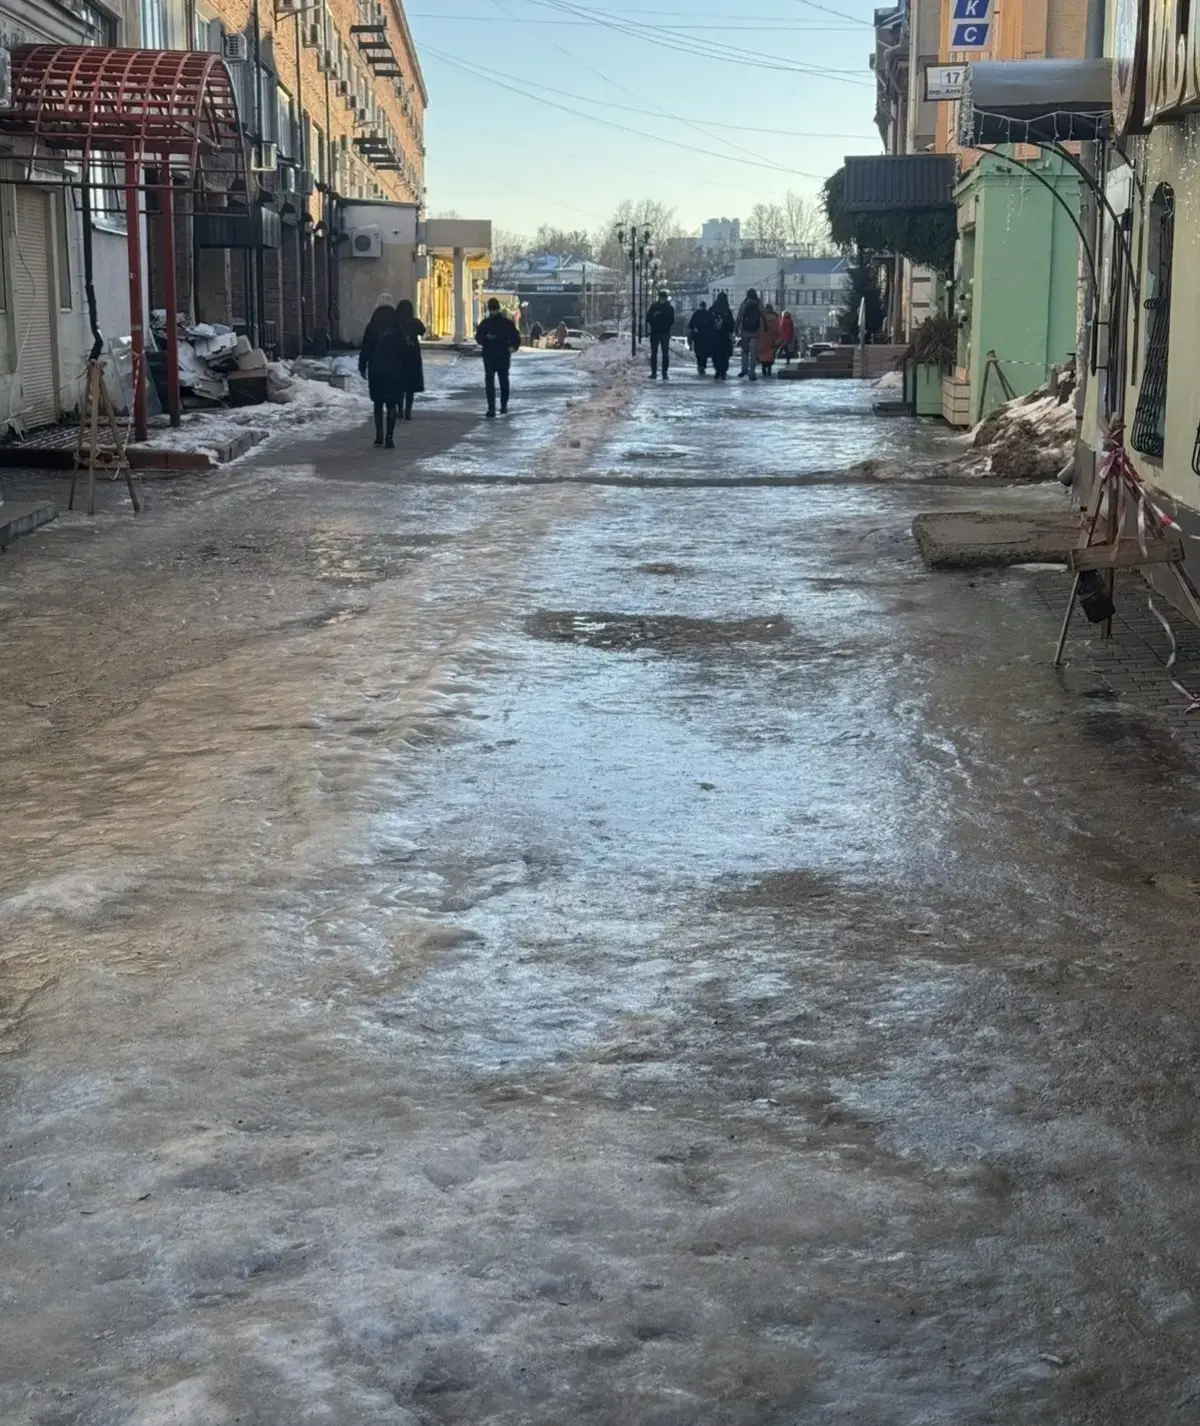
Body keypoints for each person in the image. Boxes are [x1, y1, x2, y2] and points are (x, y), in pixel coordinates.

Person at [359, 294, 405, 447]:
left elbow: (366, 347)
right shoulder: (397, 326)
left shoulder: (372, 325)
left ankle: (379, 435)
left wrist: (362, 366)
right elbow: (403, 349)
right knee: (391, 403)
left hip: (376, 369)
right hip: (394, 369)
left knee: (378, 403)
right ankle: (389, 437)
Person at [475, 296, 521, 416]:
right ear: (499, 308)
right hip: (503, 355)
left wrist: (486, 337)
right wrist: (512, 347)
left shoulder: (485, 323)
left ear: (489, 309)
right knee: (504, 381)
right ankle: (503, 406)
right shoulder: (507, 323)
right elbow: (516, 338)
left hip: (489, 356)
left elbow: (478, 338)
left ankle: (491, 408)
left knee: (490, 382)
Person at [393, 297, 426, 420]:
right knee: (410, 388)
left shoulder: (395, 322)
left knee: (399, 386)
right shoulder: (415, 322)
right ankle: (408, 412)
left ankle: (399, 410)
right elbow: (423, 331)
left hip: (399, 356)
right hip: (413, 357)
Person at [645, 288, 676, 379]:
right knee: (655, 353)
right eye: (661, 298)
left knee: (663, 353)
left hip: (662, 332)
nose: (662, 299)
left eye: (663, 298)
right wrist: (655, 319)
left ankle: (663, 372)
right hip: (658, 332)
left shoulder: (667, 308)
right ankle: (655, 372)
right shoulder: (659, 307)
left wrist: (658, 318)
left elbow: (671, 320)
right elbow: (648, 318)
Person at [737, 287, 763, 379]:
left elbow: (739, 316)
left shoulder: (745, 303)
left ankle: (744, 369)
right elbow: (763, 315)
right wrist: (765, 327)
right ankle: (752, 372)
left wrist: (736, 328)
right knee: (753, 353)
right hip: (755, 331)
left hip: (745, 330)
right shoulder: (758, 303)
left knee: (745, 351)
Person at [709, 292, 736, 381]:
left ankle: (717, 370)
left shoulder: (712, 309)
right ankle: (723, 371)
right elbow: (731, 324)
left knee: (716, 355)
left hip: (714, 337)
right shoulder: (727, 310)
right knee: (724, 356)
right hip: (724, 337)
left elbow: (708, 322)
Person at [688, 301, 714, 375]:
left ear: (700, 306)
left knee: (698, 352)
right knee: (705, 352)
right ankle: (703, 365)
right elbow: (712, 325)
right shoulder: (708, 314)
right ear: (705, 306)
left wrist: (694, 330)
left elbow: (691, 325)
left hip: (698, 336)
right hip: (706, 337)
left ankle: (700, 365)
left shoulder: (696, 314)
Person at [758, 303, 781, 378]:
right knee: (770, 353)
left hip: (762, 338)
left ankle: (763, 366)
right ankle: (769, 369)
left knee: (763, 353)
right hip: (771, 338)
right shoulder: (775, 317)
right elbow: (777, 329)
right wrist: (777, 338)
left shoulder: (761, 317)